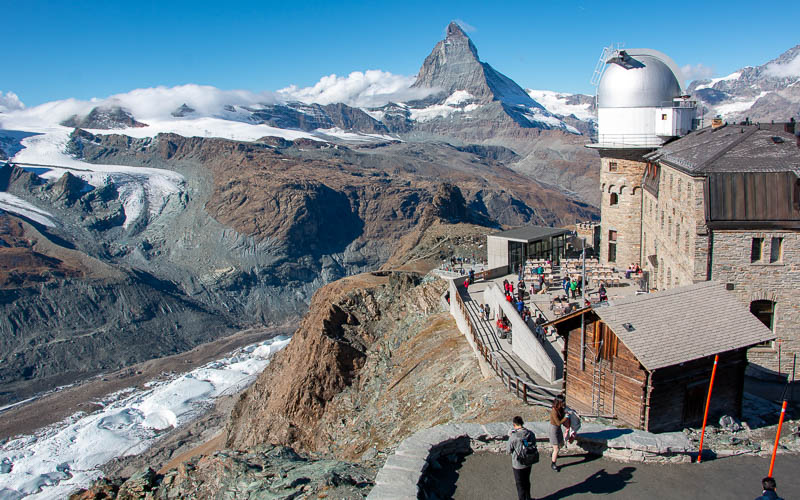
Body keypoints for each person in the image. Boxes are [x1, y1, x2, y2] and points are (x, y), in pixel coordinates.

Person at [507, 416, 535, 500]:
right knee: (527, 481)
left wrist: (510, 436)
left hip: (517, 464)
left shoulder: (514, 436)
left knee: (520, 484)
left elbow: (508, 450)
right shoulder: (530, 433)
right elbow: (533, 444)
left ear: (514, 424)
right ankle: (528, 498)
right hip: (528, 461)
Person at [549, 397, 569, 471]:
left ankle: (553, 454)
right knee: (556, 448)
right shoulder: (554, 411)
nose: (564, 403)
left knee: (560, 444)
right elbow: (558, 423)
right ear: (559, 402)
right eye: (562, 402)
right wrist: (566, 417)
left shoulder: (560, 409)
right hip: (554, 430)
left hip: (558, 429)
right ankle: (553, 464)